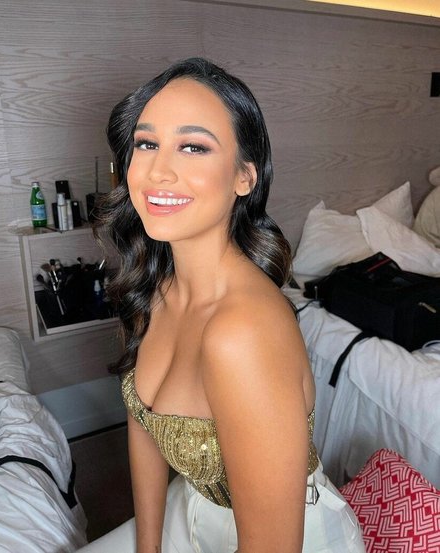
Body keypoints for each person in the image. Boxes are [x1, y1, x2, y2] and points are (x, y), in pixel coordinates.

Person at [80, 57, 365, 553]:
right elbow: (142, 423)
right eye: (146, 143)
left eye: (193, 147)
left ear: (244, 177)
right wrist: (148, 547)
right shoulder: (155, 287)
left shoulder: (243, 332)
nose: (158, 171)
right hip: (193, 506)